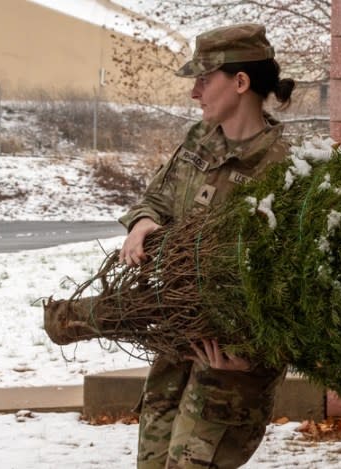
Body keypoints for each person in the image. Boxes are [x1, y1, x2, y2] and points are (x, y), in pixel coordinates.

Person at [116, 23, 294, 468]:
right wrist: (142, 224)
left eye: (203, 79)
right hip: (176, 352)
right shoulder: (199, 142)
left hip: (231, 368)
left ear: (240, 82)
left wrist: (254, 358)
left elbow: (296, 283)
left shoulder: (285, 167)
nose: (195, 92)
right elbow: (157, 198)